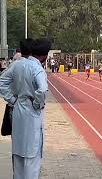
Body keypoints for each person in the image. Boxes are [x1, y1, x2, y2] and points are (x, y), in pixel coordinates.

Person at [0, 38, 51, 179]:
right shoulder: (37, 69)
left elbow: (2, 82)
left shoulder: (17, 65)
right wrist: (37, 104)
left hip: (17, 110)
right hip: (32, 114)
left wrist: (12, 100)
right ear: (45, 56)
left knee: (18, 154)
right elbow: (42, 90)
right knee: (32, 157)